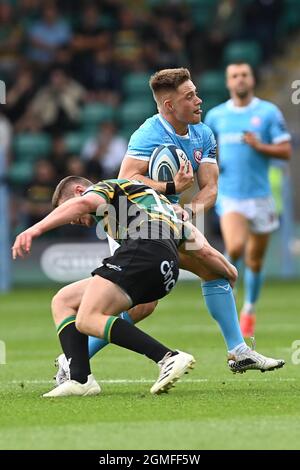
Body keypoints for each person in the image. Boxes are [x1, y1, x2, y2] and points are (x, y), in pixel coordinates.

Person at [62, 68, 285, 379]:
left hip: (172, 220)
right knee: (144, 306)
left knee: (215, 272)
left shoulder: (203, 133)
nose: (198, 100)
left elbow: (211, 188)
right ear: (169, 105)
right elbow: (127, 181)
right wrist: (168, 189)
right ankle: (72, 359)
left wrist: (189, 210)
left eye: (195, 92)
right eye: (189, 96)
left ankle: (238, 351)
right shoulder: (147, 134)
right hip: (133, 223)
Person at [13, 176, 205, 397]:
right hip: (165, 268)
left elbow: (84, 203)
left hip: (146, 249)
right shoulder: (131, 212)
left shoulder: (106, 188)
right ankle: (80, 379)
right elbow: (201, 250)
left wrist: (33, 230)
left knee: (87, 318)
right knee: (64, 300)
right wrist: (227, 272)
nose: (71, 220)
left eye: (68, 211)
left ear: (79, 190)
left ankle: (167, 357)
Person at [204, 62, 292, 337]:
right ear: (228, 82)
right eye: (234, 76)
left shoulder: (267, 112)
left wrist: (259, 146)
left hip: (261, 197)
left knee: (254, 261)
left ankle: (249, 309)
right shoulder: (216, 116)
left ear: (251, 80)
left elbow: (286, 151)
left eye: (244, 75)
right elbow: (204, 151)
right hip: (231, 196)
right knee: (237, 247)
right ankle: (224, 297)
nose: (239, 80)